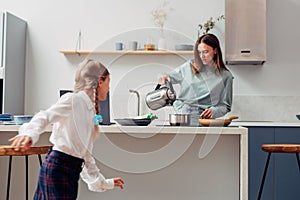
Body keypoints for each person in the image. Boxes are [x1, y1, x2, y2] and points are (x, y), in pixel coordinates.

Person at [9, 59, 125, 199]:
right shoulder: (73, 100)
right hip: (57, 170)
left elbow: (85, 156)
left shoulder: (90, 112)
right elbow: (45, 116)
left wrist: (105, 183)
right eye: (108, 83)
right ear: (100, 81)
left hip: (70, 173)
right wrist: (29, 133)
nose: (109, 88)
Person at [159, 33, 233, 126]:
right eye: (199, 52)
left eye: (205, 52)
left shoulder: (226, 76)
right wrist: (164, 77)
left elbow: (226, 106)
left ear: (215, 51)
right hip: (182, 116)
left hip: (204, 120)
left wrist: (213, 111)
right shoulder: (189, 66)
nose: (202, 56)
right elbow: (170, 77)